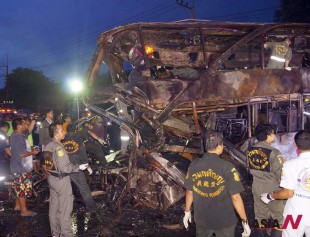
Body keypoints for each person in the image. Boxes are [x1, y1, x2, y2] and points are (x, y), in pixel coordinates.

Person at [183, 131, 250, 237]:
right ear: (219, 146)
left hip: (202, 220)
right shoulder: (227, 167)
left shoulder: (194, 164)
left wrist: (187, 212)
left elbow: (190, 191)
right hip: (224, 221)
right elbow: (236, 197)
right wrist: (244, 220)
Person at [261, 130, 310, 237]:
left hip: (294, 214)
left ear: (294, 144)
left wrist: (270, 196)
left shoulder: (289, 165)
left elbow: (288, 193)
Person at [44, 123, 88, 237]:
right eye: (62, 130)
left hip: (52, 179)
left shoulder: (48, 146)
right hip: (61, 180)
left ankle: (55, 233)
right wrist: (79, 167)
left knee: (54, 208)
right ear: (56, 133)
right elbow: (65, 167)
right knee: (65, 209)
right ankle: (67, 234)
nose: (65, 132)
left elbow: (48, 165)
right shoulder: (59, 147)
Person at [247, 124, 285, 236]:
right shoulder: (274, 152)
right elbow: (280, 174)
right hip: (273, 188)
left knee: (260, 216)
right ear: (268, 135)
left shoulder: (250, 150)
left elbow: (249, 169)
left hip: (257, 186)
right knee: (279, 218)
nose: (274, 136)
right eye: (273, 134)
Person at [62, 126, 98, 212]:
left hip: (64, 168)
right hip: (76, 168)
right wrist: (88, 167)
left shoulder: (61, 140)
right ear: (75, 131)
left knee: (63, 190)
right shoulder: (78, 140)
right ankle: (91, 208)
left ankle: (64, 209)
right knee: (84, 189)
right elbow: (83, 156)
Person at [9, 117, 39, 216]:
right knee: (22, 189)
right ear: (19, 126)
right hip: (20, 167)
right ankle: (24, 211)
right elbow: (21, 154)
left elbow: (28, 130)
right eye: (23, 124)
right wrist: (33, 152)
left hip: (17, 166)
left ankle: (18, 206)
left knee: (19, 187)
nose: (25, 125)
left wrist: (33, 120)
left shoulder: (16, 135)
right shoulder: (18, 137)